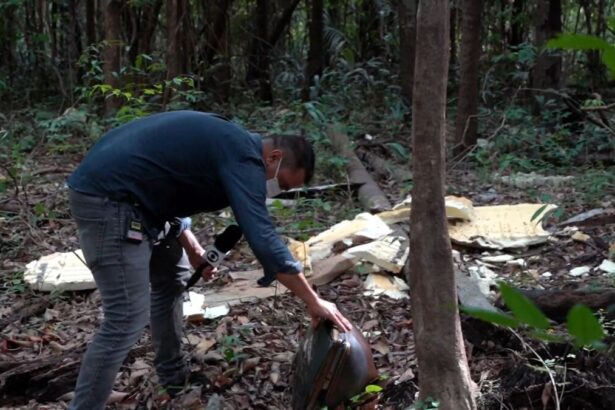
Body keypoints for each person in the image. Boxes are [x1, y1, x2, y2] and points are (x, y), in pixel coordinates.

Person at [66, 110, 352, 410]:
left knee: (172, 281)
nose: (276, 190)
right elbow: (264, 239)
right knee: (125, 317)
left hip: (140, 201)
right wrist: (313, 300)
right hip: (110, 201)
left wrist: (190, 244)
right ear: (273, 157)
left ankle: (173, 378)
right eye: (281, 184)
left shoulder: (231, 143)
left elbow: (168, 178)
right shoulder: (244, 157)